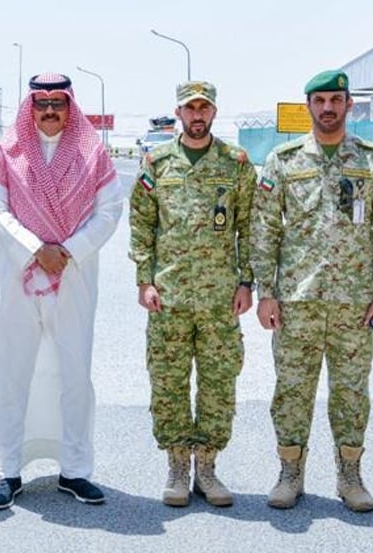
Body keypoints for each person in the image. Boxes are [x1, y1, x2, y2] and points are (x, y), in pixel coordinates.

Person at [252, 70, 373, 512]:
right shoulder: (283, 162)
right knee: (291, 390)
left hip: (355, 304)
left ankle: (350, 475)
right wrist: (266, 292)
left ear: (349, 105)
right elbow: (265, 229)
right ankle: (290, 472)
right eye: (319, 100)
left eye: (336, 100)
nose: (327, 108)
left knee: (352, 393)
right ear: (308, 106)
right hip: (297, 301)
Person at [0, 73, 123, 510]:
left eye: (57, 104)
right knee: (10, 370)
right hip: (18, 275)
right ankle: (7, 469)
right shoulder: (8, 151)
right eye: (41, 104)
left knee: (75, 372)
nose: (48, 111)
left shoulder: (92, 153)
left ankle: (75, 470)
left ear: (69, 106)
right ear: (30, 108)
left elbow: (110, 211)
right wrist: (35, 249)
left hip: (73, 274)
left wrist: (68, 250)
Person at [128, 81, 255, 507]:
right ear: (178, 112)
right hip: (169, 296)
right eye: (190, 108)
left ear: (214, 112)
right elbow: (141, 224)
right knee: (168, 382)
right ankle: (178, 466)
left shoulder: (236, 163)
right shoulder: (157, 162)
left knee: (219, 382)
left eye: (204, 108)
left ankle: (208, 468)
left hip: (221, 297)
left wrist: (247, 282)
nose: (197, 115)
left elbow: (249, 228)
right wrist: (144, 280)